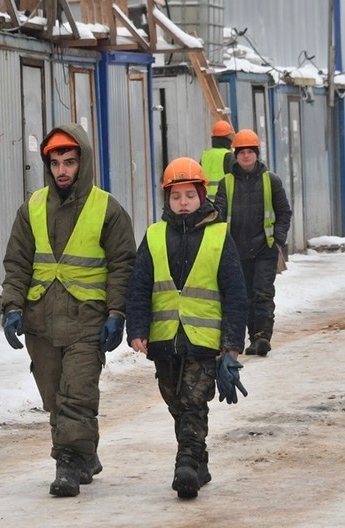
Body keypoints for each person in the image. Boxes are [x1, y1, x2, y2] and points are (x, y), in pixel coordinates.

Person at [0, 124, 136, 498]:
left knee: (76, 393)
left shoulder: (107, 209)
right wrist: (12, 307)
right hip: (41, 319)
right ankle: (85, 453)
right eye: (56, 162)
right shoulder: (32, 208)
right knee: (54, 396)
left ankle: (69, 462)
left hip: (87, 319)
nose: (62, 170)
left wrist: (116, 313)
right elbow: (18, 263)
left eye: (70, 162)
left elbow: (123, 264)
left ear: (84, 163)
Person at [125, 157, 248, 499]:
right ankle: (199, 457)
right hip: (164, 340)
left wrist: (232, 345)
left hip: (204, 341)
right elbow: (139, 286)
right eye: (176, 196)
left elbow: (235, 293)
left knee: (194, 400)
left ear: (201, 196)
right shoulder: (153, 236)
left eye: (189, 196)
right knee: (175, 402)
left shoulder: (219, 236)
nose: (183, 203)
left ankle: (187, 464)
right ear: (167, 198)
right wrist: (136, 328)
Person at [213, 128, 292, 357]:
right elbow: (218, 214)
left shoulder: (271, 181)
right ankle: (252, 335)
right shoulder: (225, 184)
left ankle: (262, 336)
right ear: (235, 155)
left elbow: (283, 212)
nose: (246, 156)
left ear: (257, 153)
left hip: (264, 249)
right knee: (244, 295)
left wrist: (277, 238)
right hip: (236, 250)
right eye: (241, 152)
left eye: (250, 151)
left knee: (263, 293)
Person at [200, 120, 236, 200]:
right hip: (223, 202)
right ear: (227, 139)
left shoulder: (204, 155)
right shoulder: (228, 156)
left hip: (206, 203)